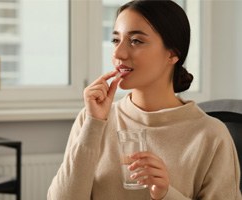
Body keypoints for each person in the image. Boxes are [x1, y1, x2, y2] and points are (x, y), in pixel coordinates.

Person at [48, 0, 241, 199]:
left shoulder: (211, 136)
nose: (118, 53)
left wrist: (167, 193)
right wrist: (93, 125)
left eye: (136, 41)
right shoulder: (93, 119)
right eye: (116, 40)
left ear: (172, 54)